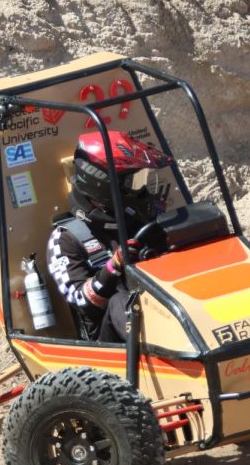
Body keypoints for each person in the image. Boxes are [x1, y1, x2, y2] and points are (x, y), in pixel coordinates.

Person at [47, 131, 173, 341]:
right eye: (130, 182)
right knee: (120, 300)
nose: (138, 189)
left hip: (164, 310)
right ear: (103, 186)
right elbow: (79, 298)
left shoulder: (139, 219)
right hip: (110, 341)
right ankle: (166, 351)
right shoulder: (65, 238)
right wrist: (113, 267)